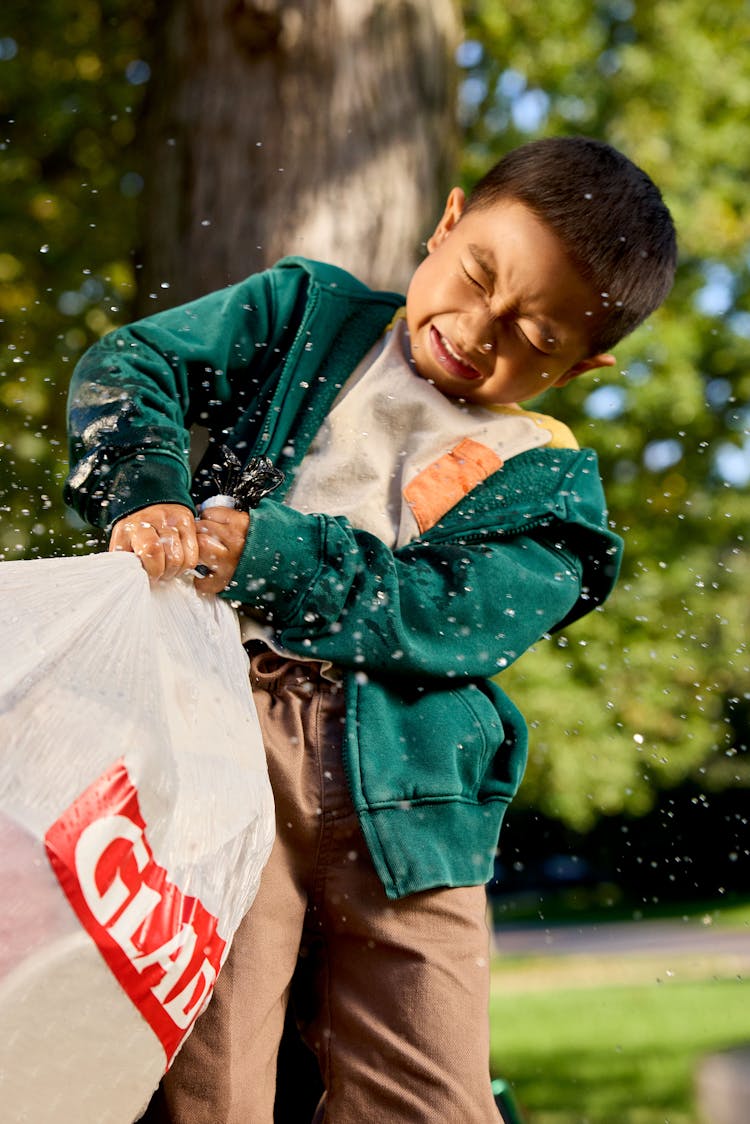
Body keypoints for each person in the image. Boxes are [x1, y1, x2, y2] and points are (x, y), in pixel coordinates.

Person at [65, 136, 676, 1123]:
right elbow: (132, 364)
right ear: (447, 222)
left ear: (581, 365)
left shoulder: (553, 491)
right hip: (223, 741)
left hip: (415, 799)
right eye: (478, 275)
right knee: (212, 1064)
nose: (478, 329)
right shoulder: (306, 317)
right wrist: (147, 492)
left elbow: (453, 614)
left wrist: (274, 555)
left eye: (534, 334)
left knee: (433, 1090)